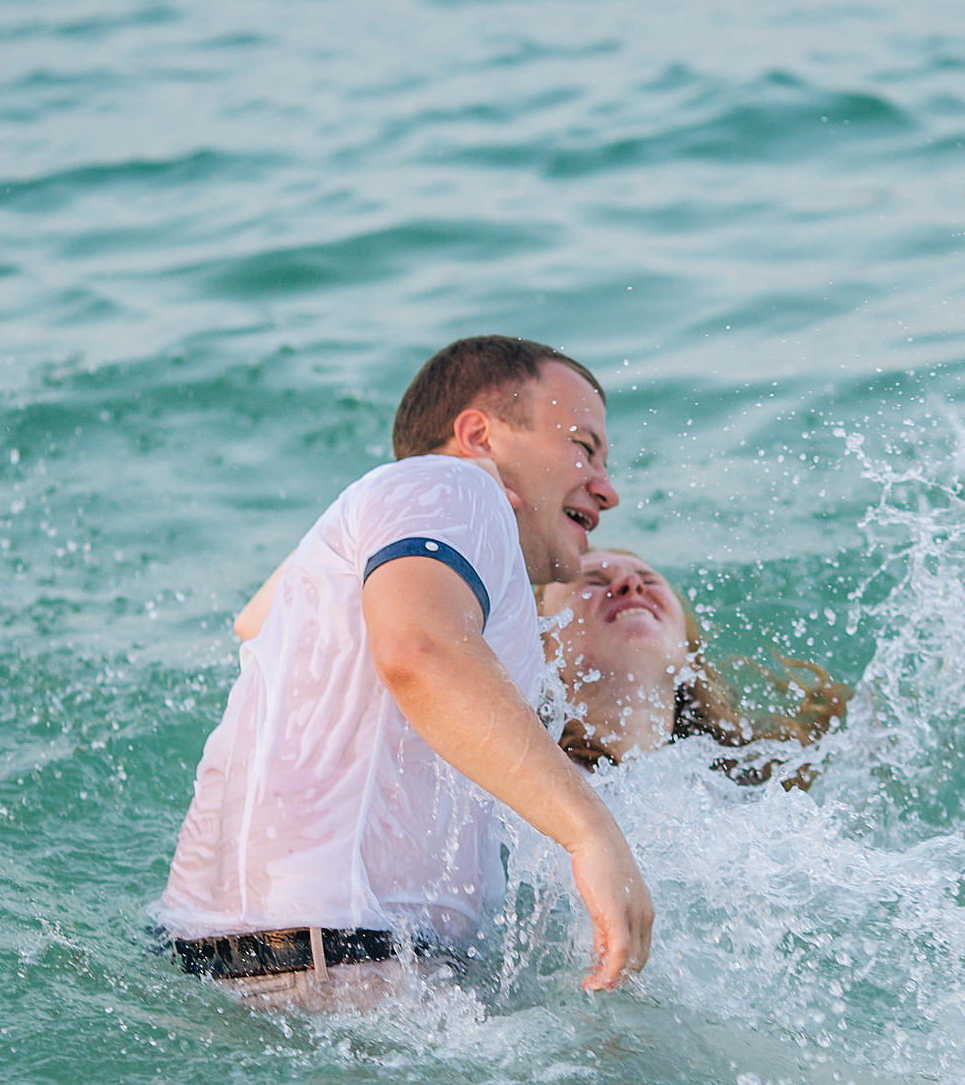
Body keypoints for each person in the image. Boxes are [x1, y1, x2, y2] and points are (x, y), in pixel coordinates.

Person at [152, 336, 655, 1013]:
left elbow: (254, 619)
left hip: (237, 968)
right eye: (583, 447)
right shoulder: (459, 485)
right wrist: (589, 831)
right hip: (342, 973)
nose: (607, 488)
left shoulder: (398, 511)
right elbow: (420, 649)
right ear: (478, 434)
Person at [540, 549, 850, 787]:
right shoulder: (531, 787)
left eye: (649, 581)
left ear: (688, 656)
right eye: (593, 582)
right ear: (542, 653)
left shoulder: (754, 783)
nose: (631, 585)